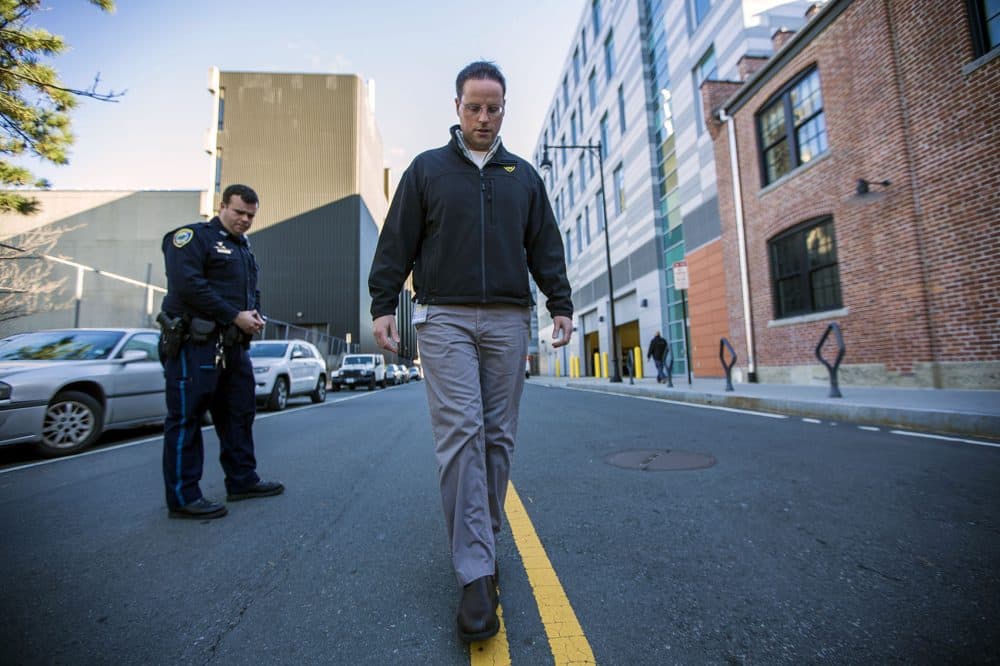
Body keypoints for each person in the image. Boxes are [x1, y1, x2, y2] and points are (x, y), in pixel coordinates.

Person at [368, 61, 573, 642]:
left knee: (499, 436)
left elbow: (546, 248)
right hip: (444, 318)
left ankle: (480, 537)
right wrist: (384, 303)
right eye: (474, 107)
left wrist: (561, 303)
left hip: (510, 318)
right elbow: (396, 243)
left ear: (505, 110)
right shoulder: (427, 170)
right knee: (463, 431)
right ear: (456, 107)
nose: (484, 117)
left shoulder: (523, 177)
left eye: (494, 108)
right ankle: (476, 572)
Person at [159, 184, 284, 520]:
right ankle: (184, 497)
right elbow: (188, 285)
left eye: (251, 215)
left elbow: (249, 292)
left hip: (232, 347)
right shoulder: (191, 238)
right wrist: (234, 315)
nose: (245, 220)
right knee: (186, 418)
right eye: (239, 212)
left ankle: (242, 480)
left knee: (239, 414)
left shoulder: (243, 248)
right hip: (194, 345)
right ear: (222, 206)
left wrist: (254, 314)